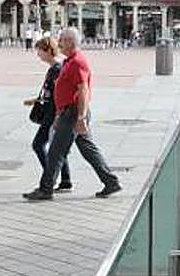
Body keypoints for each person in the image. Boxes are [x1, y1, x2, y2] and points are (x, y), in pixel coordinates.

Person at [23, 27, 121, 201]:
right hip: (70, 112)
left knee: (56, 152)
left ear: (69, 42)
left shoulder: (77, 62)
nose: (59, 43)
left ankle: (46, 189)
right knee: (88, 149)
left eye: (61, 40)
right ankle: (111, 181)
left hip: (73, 113)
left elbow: (83, 89)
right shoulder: (70, 61)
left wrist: (81, 117)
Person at [25, 36, 72, 192]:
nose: (38, 54)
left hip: (52, 115)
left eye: (39, 50)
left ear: (47, 51)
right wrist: (36, 100)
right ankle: (65, 181)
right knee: (57, 148)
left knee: (38, 145)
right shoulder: (53, 69)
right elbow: (49, 93)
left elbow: (59, 94)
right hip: (50, 113)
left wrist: (57, 116)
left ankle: (50, 177)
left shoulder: (57, 70)